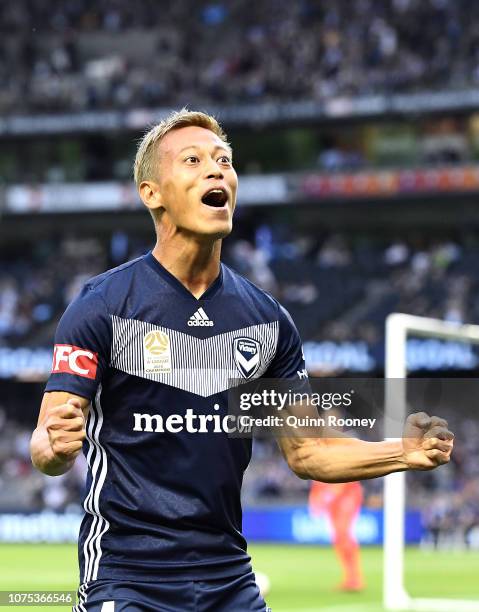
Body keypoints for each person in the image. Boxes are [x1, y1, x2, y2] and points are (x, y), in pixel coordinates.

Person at [30, 109, 454, 612]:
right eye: (194, 160)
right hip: (127, 577)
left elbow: (310, 452)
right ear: (153, 193)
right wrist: (54, 448)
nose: (217, 170)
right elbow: (45, 445)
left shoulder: (267, 320)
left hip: (229, 578)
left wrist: (401, 453)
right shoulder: (102, 305)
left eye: (224, 160)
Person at [309, 480, 364, 591]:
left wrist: (330, 494)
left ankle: (355, 579)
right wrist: (315, 502)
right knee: (339, 538)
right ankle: (350, 578)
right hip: (334, 498)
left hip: (348, 494)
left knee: (343, 534)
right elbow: (316, 483)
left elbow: (343, 474)